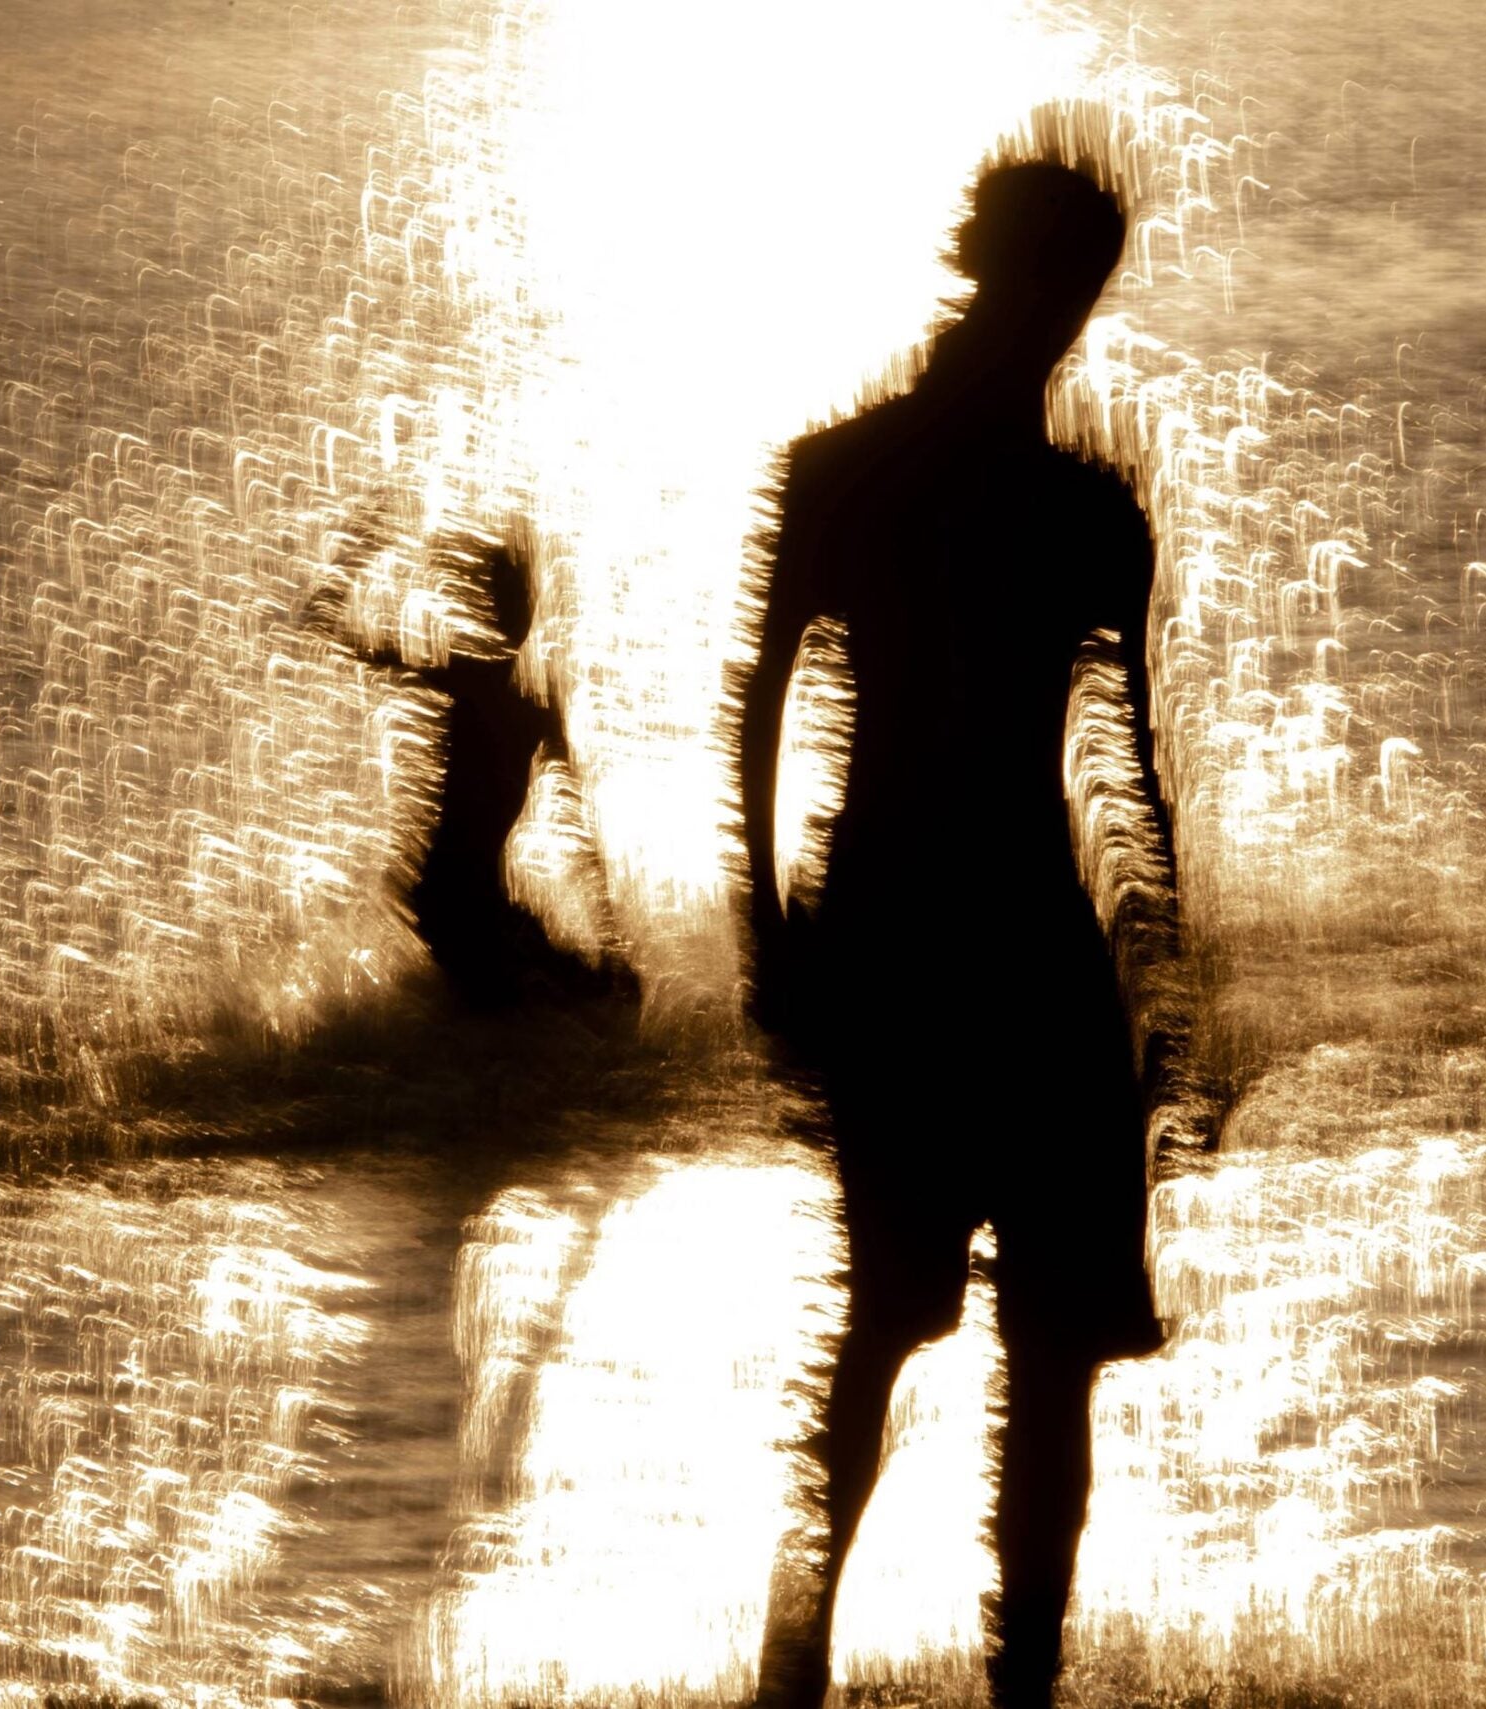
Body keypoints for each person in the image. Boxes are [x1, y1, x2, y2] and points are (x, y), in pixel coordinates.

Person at [736, 149, 1169, 1709]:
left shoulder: (1086, 511)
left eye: (1080, 286)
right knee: (900, 1312)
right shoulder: (849, 470)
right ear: (1006, 281)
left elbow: (1126, 759)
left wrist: (1162, 992)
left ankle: (1019, 1685)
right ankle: (802, 1654)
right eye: (1051, 280)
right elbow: (766, 696)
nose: (1062, 312)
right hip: (908, 938)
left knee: (1049, 1355)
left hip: (1021, 952)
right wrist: (770, 936)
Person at [310, 523, 630, 1012]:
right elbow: (326, 626)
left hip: (473, 899)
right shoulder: (468, 679)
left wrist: (611, 940)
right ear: (489, 611)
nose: (516, 613)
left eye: (518, 599)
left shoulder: (535, 707)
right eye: (504, 600)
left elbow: (580, 833)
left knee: (590, 999)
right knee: (553, 1013)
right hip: (448, 899)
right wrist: (357, 550)